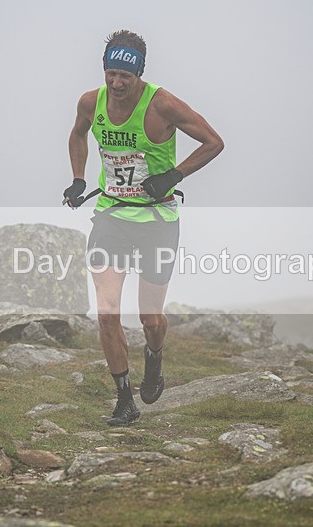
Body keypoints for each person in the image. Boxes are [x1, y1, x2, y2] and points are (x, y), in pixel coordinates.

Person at [64, 30, 223, 426]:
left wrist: (173, 175)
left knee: (150, 319)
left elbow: (213, 142)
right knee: (106, 313)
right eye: (111, 74)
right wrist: (79, 179)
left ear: (140, 75)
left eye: (125, 77)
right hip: (111, 217)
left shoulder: (162, 105)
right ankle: (123, 400)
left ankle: (154, 357)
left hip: (157, 221)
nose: (116, 84)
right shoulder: (90, 102)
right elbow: (78, 134)